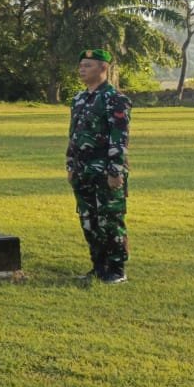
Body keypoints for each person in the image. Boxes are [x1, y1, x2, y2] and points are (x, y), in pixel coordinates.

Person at [67, 48, 131, 283]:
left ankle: (116, 269)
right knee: (89, 220)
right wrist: (70, 165)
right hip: (82, 170)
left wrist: (115, 171)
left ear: (103, 68)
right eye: (81, 65)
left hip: (105, 171)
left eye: (88, 66)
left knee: (110, 220)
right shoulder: (79, 99)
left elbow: (119, 137)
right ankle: (98, 266)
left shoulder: (115, 99)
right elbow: (73, 135)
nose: (82, 70)